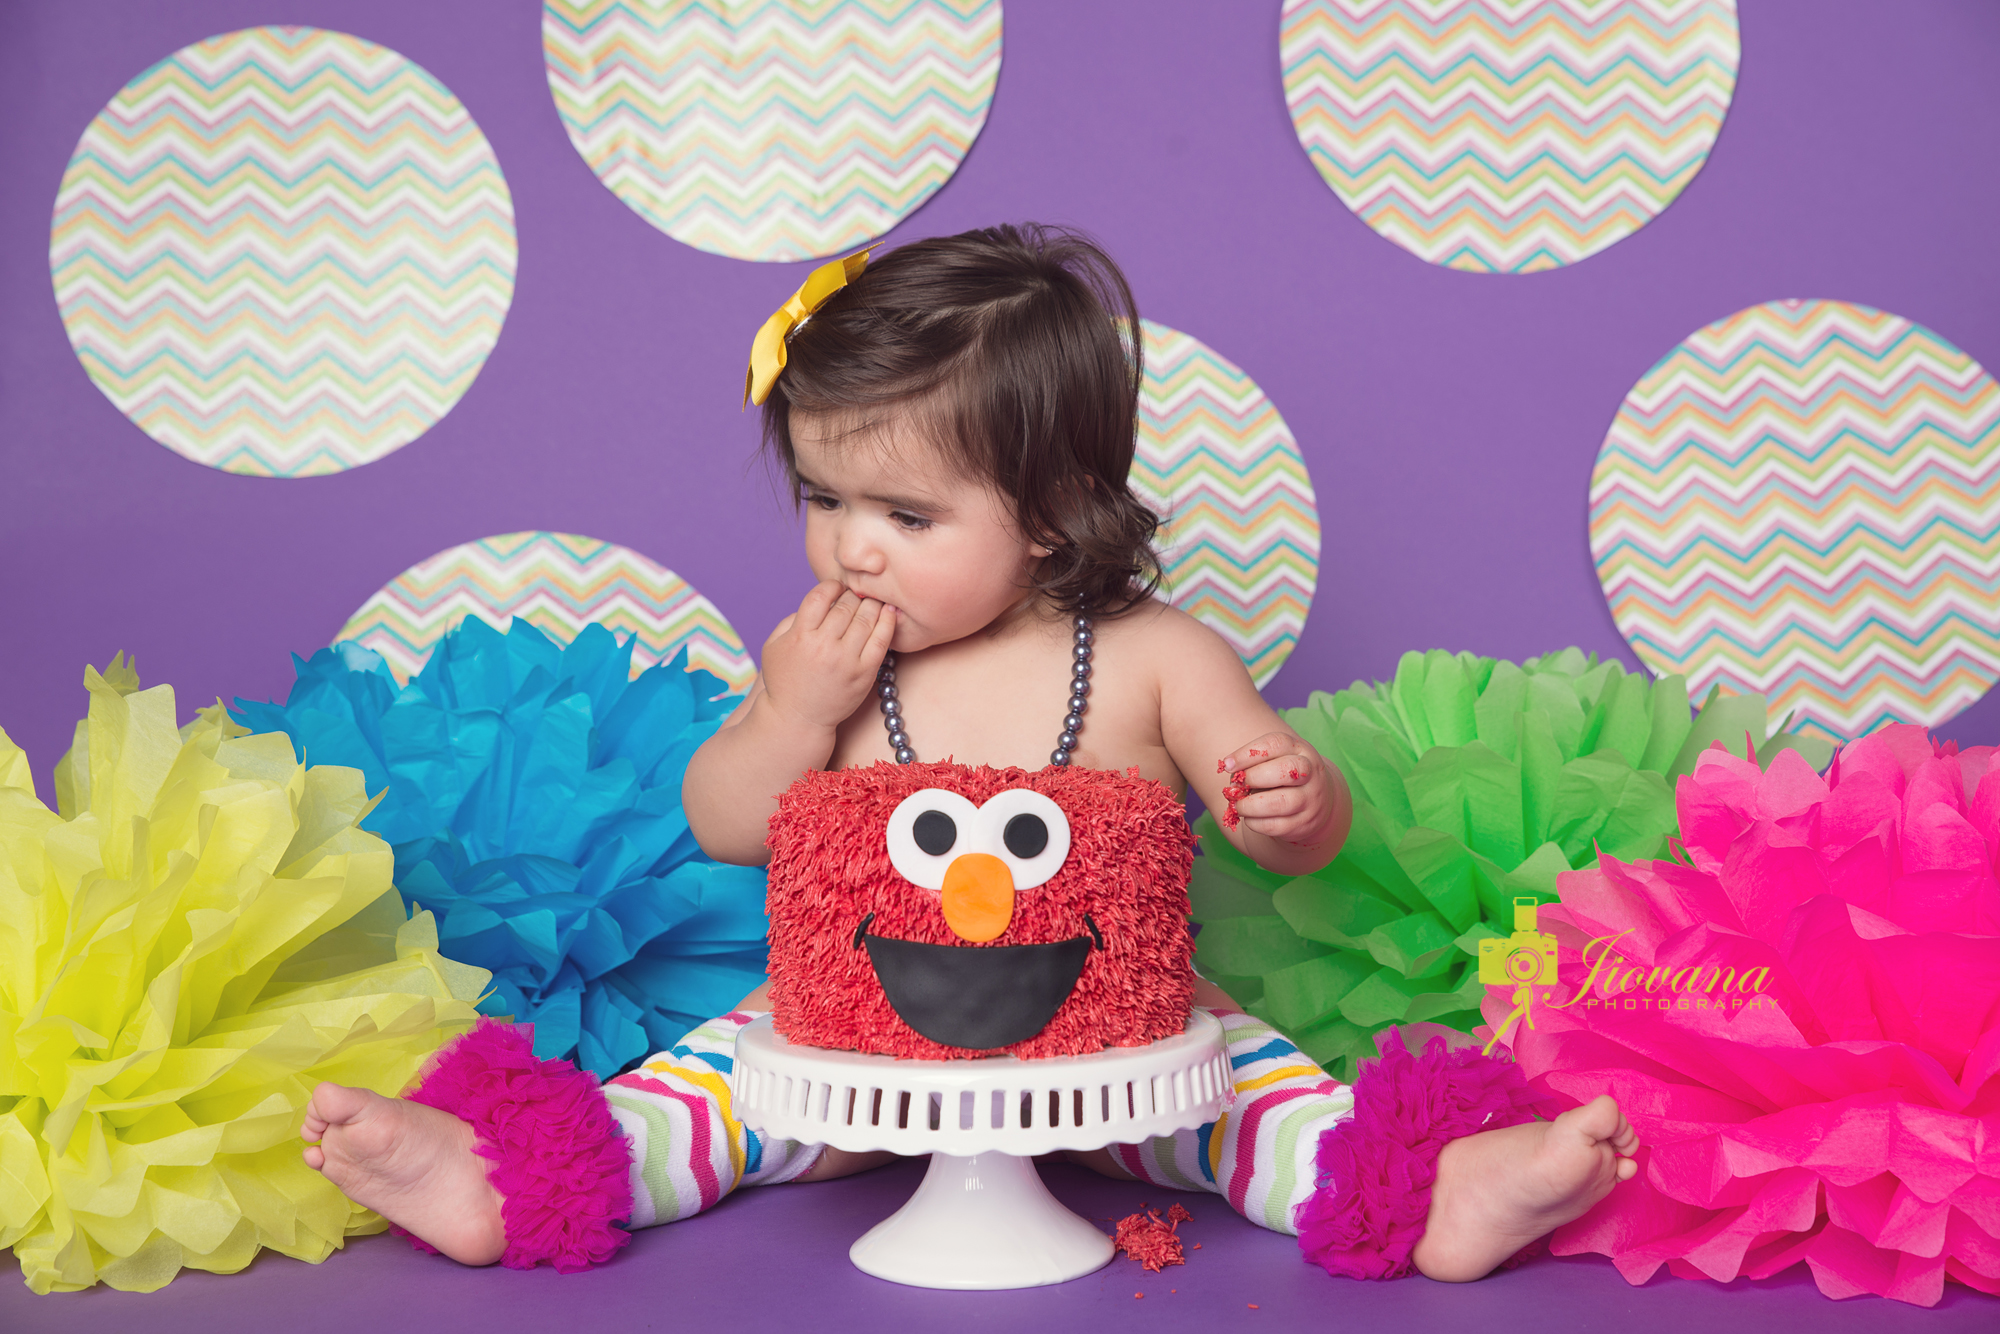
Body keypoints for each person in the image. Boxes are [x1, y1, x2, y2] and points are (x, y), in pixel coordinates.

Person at [299, 223, 1639, 1281]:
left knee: (1261, 1103)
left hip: (1117, 1059)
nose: (851, 545)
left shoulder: (1156, 656)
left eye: (906, 513)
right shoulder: (826, 658)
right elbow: (725, 825)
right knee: (703, 1094)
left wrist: (1290, 800)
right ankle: (506, 1179)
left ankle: (1443, 1194)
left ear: (1053, 513)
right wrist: (791, 712)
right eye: (823, 496)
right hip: (854, 1061)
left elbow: (1288, 826)